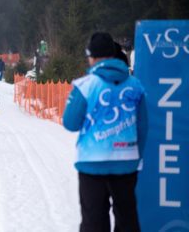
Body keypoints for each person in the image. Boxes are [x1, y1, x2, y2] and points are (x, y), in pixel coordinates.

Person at [62, 32, 148, 232]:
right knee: (127, 218)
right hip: (126, 163)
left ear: (91, 57)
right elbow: (143, 126)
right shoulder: (135, 85)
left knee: (94, 221)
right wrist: (137, 157)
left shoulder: (85, 85)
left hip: (92, 163)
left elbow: (70, 123)